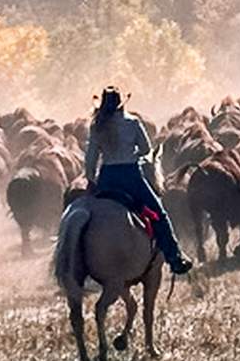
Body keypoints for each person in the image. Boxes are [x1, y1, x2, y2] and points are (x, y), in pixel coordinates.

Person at [83, 87, 194, 275]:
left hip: (107, 178)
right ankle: (174, 257)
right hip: (130, 176)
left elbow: (91, 159)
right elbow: (145, 150)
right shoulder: (133, 123)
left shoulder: (97, 126)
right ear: (121, 104)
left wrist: (91, 180)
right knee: (159, 213)